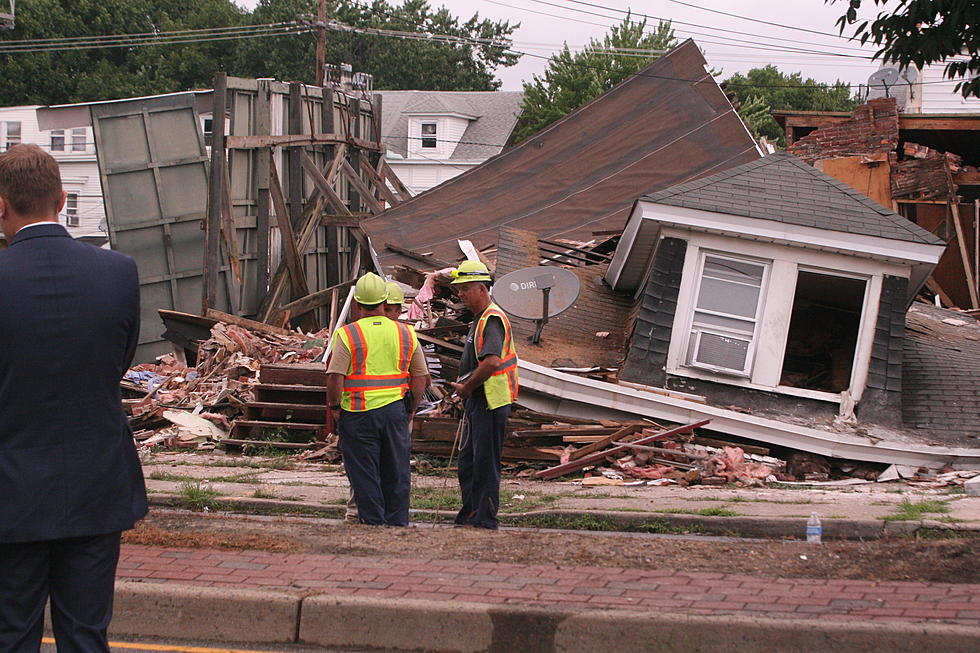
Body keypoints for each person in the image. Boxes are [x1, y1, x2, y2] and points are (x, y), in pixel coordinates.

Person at [0, 144, 147, 652]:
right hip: (96, 483)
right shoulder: (118, 273)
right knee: (86, 634)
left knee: (11, 633)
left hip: (10, 489)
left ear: (1, 205)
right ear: (62, 199)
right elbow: (117, 364)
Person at [326, 273, 428, 526]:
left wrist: (335, 407)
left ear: (358, 305)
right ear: (385, 302)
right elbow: (421, 377)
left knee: (364, 473)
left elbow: (334, 377)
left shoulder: (348, 335)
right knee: (397, 471)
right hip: (395, 413)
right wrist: (412, 408)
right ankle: (397, 523)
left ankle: (372, 523)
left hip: (357, 414)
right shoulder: (406, 334)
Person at [449, 261, 519, 530]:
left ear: (482, 289)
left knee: (485, 465)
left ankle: (485, 518)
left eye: (465, 289)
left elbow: (491, 362)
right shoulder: (479, 319)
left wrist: (467, 388)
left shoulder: (491, 319)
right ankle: (471, 513)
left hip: (490, 401)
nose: (460, 294)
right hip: (479, 401)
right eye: (459, 290)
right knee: (469, 462)